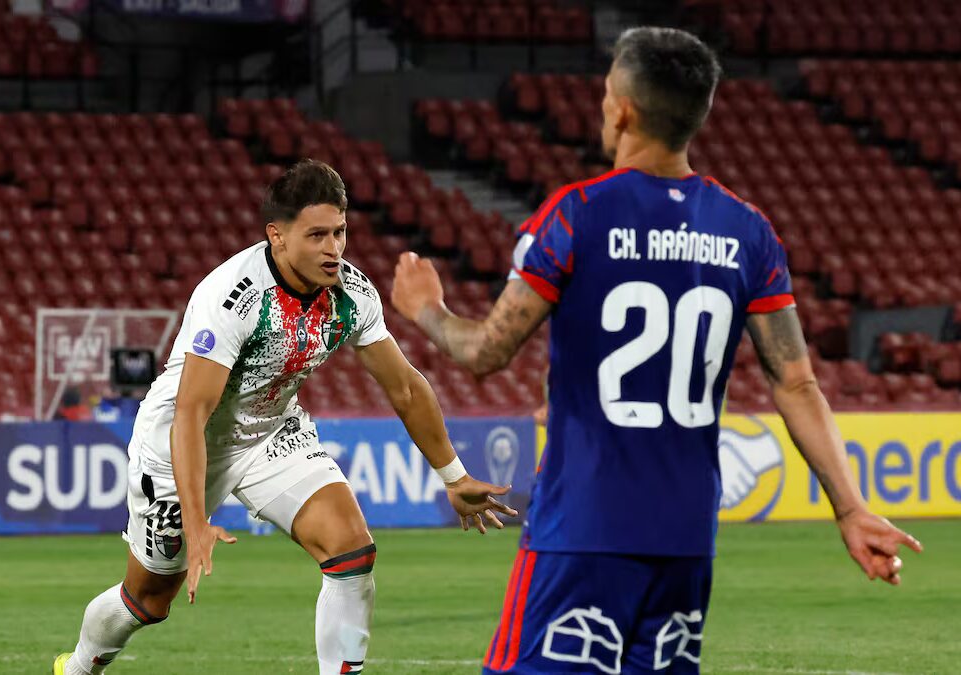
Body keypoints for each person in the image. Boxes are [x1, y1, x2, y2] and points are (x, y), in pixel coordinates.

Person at [391, 27, 923, 674]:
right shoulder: (747, 230)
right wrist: (852, 506)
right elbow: (797, 382)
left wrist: (424, 307)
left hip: (583, 531)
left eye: (608, 88)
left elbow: (483, 353)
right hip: (686, 540)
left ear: (623, 109)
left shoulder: (576, 213)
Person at [54, 159, 516, 675]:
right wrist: (196, 518)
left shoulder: (351, 293)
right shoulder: (232, 297)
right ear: (276, 235)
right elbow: (191, 413)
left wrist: (452, 475)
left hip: (271, 432)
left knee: (352, 552)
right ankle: (76, 668)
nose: (333, 247)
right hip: (179, 447)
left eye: (340, 232)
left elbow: (405, 387)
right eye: (317, 234)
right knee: (147, 600)